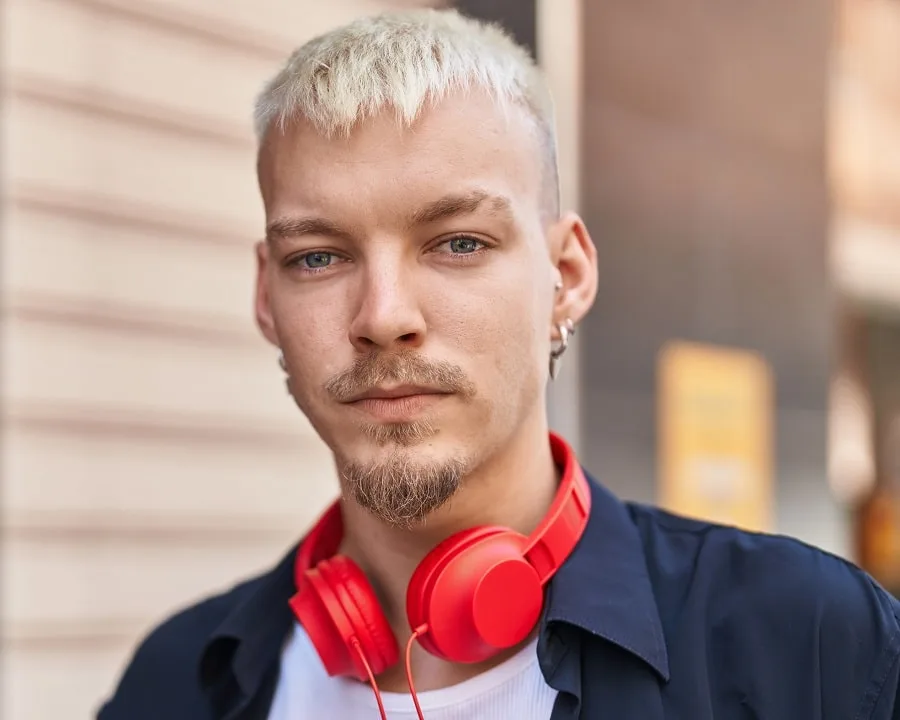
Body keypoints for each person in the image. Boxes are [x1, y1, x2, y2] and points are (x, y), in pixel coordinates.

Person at [97, 8, 900, 720]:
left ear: (568, 277)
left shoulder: (812, 647)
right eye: (318, 257)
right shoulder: (175, 685)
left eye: (458, 244)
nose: (384, 317)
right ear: (266, 299)